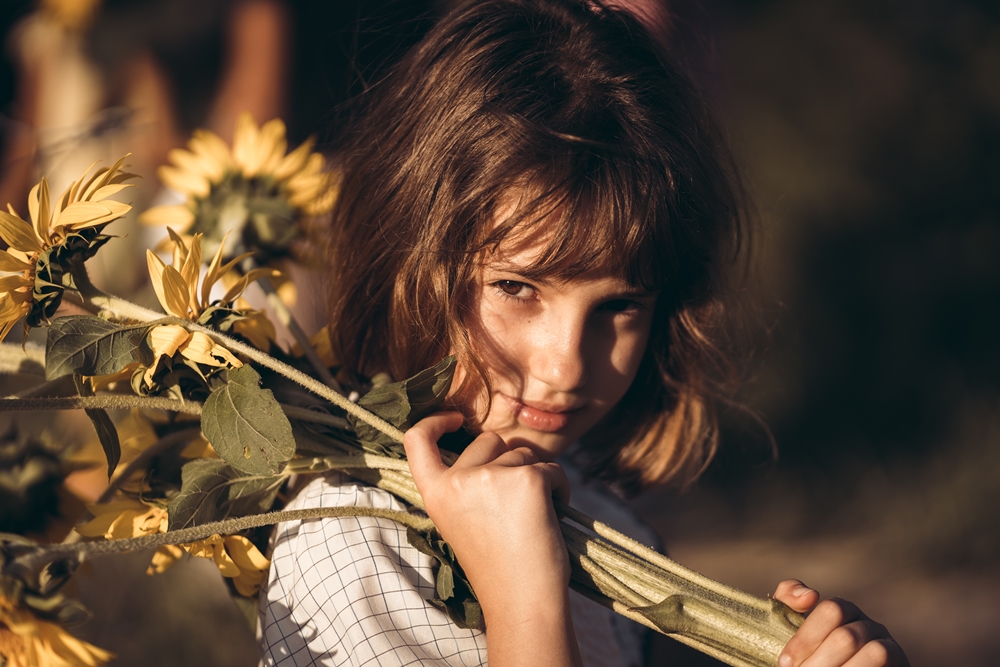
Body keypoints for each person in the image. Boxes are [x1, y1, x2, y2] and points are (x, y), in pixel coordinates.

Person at [259, 1, 910, 665]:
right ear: (410, 261)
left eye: (620, 304)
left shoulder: (607, 527)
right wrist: (523, 596)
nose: (567, 366)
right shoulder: (351, 544)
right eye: (516, 287)